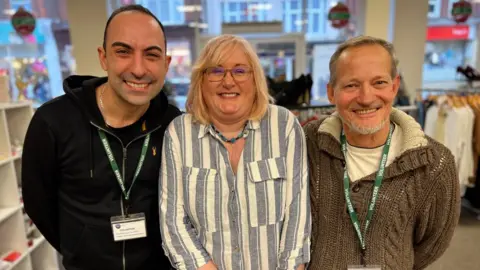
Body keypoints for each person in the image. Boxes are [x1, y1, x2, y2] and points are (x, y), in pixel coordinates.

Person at [21, 5, 181, 270]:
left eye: (151, 55)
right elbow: (39, 204)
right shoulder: (53, 122)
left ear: (166, 64)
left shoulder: (174, 125)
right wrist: (80, 246)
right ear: (104, 57)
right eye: (123, 52)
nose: (139, 69)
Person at [304, 35, 461, 269]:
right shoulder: (307, 145)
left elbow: (433, 243)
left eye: (379, 83)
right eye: (351, 85)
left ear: (395, 86)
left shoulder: (434, 164)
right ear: (331, 92)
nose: (366, 98)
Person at [159, 34, 311, 270]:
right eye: (216, 71)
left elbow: (297, 217)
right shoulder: (180, 134)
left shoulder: (285, 127)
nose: (228, 81)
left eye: (240, 71)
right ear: (201, 79)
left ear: (255, 79)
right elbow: (173, 222)